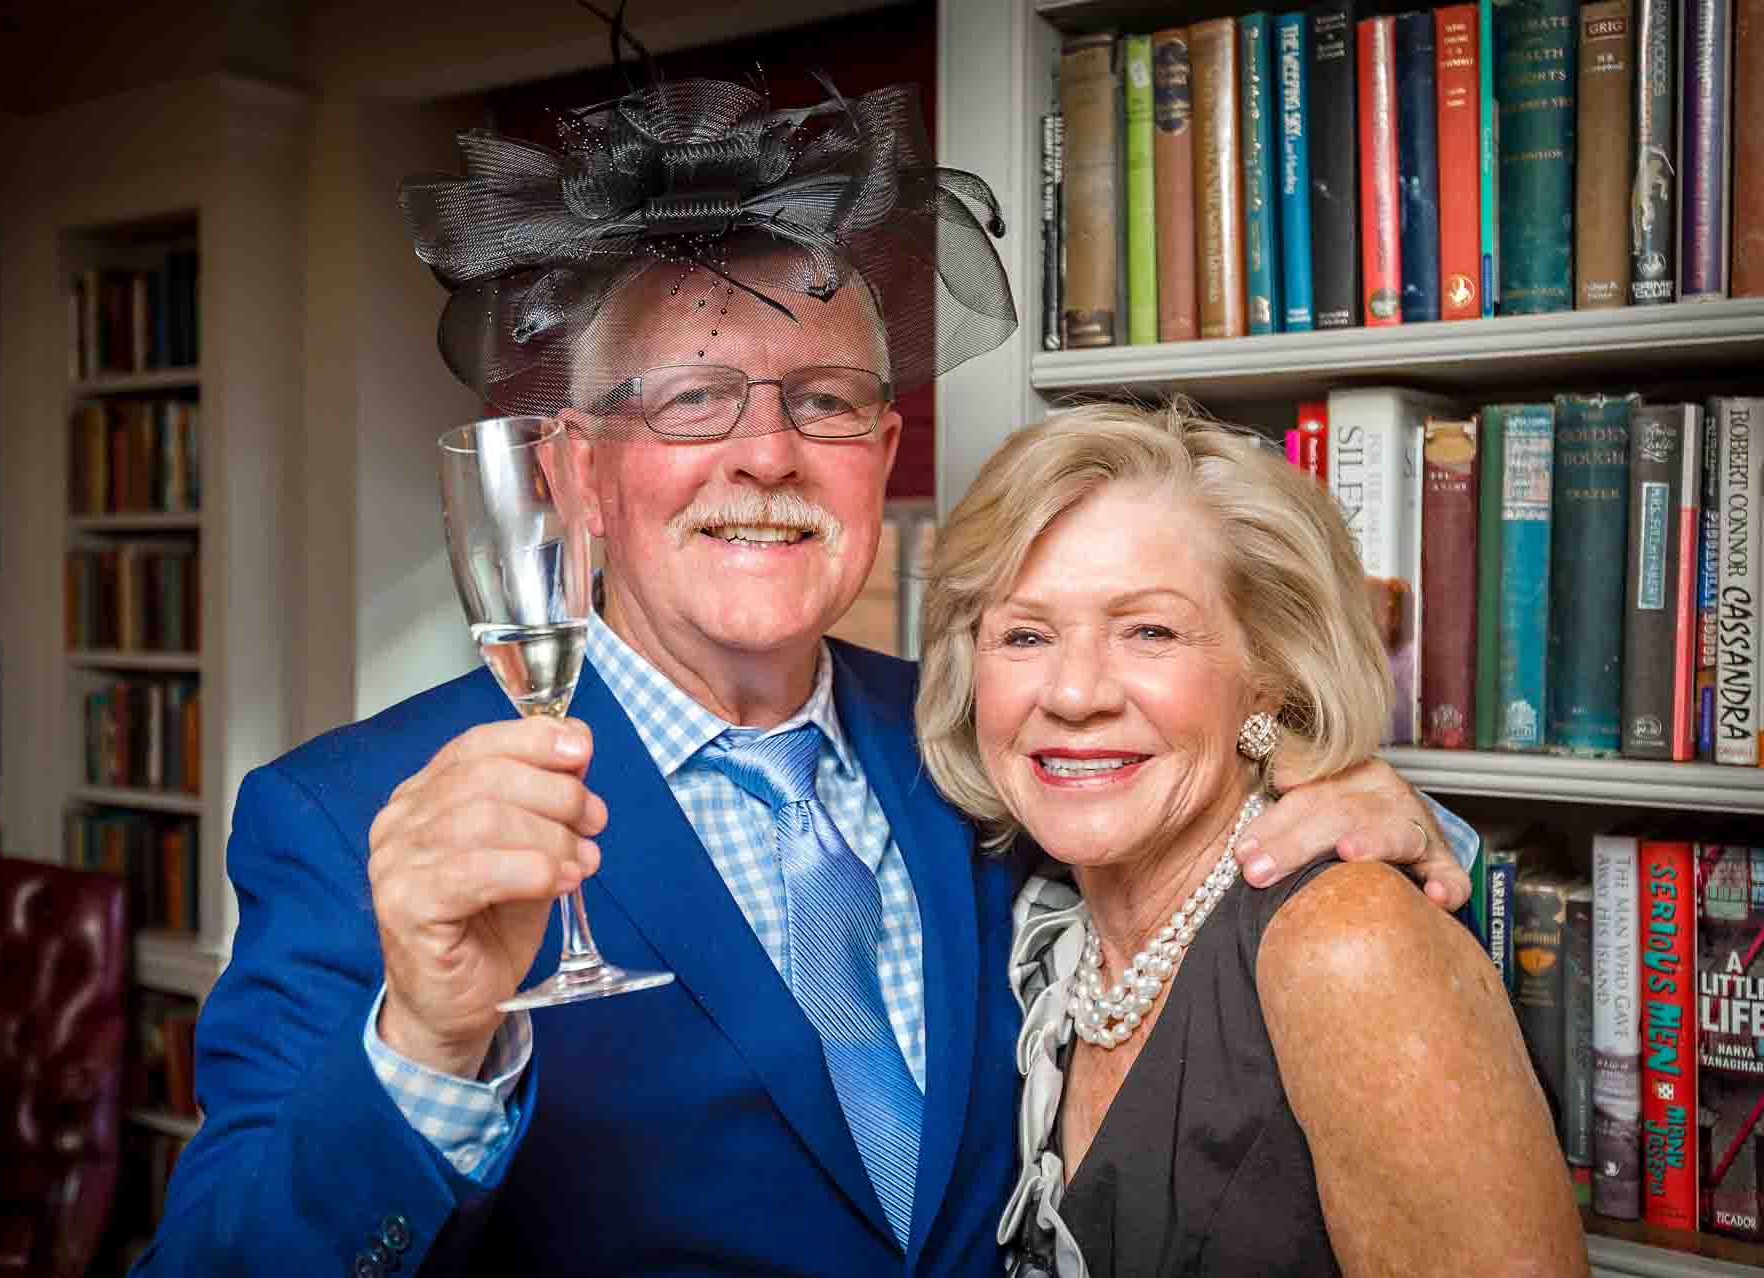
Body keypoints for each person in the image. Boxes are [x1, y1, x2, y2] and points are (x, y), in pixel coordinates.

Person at [132, 72, 1478, 1278]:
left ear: (882, 453)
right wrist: (426, 1041)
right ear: (575, 474)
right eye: (694, 400)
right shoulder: (344, 813)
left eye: (823, 402)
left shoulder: (985, 743)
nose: (768, 455)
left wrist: (1371, 803)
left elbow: (1187, 868)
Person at [915, 403, 1588, 1277]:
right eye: (1026, 635)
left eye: (1148, 631)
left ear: (1269, 677)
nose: (1075, 694)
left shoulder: (1348, 946)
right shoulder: (1033, 917)